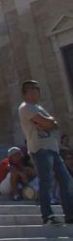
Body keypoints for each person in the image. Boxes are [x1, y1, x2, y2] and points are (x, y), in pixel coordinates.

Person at [19, 80, 73, 225]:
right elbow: (48, 123)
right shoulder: (26, 108)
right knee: (46, 182)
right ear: (28, 91)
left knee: (66, 180)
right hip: (40, 149)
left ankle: (70, 214)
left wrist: (48, 123)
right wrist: (48, 123)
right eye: (35, 89)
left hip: (53, 149)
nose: (38, 92)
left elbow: (53, 124)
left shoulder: (38, 108)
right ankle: (47, 215)